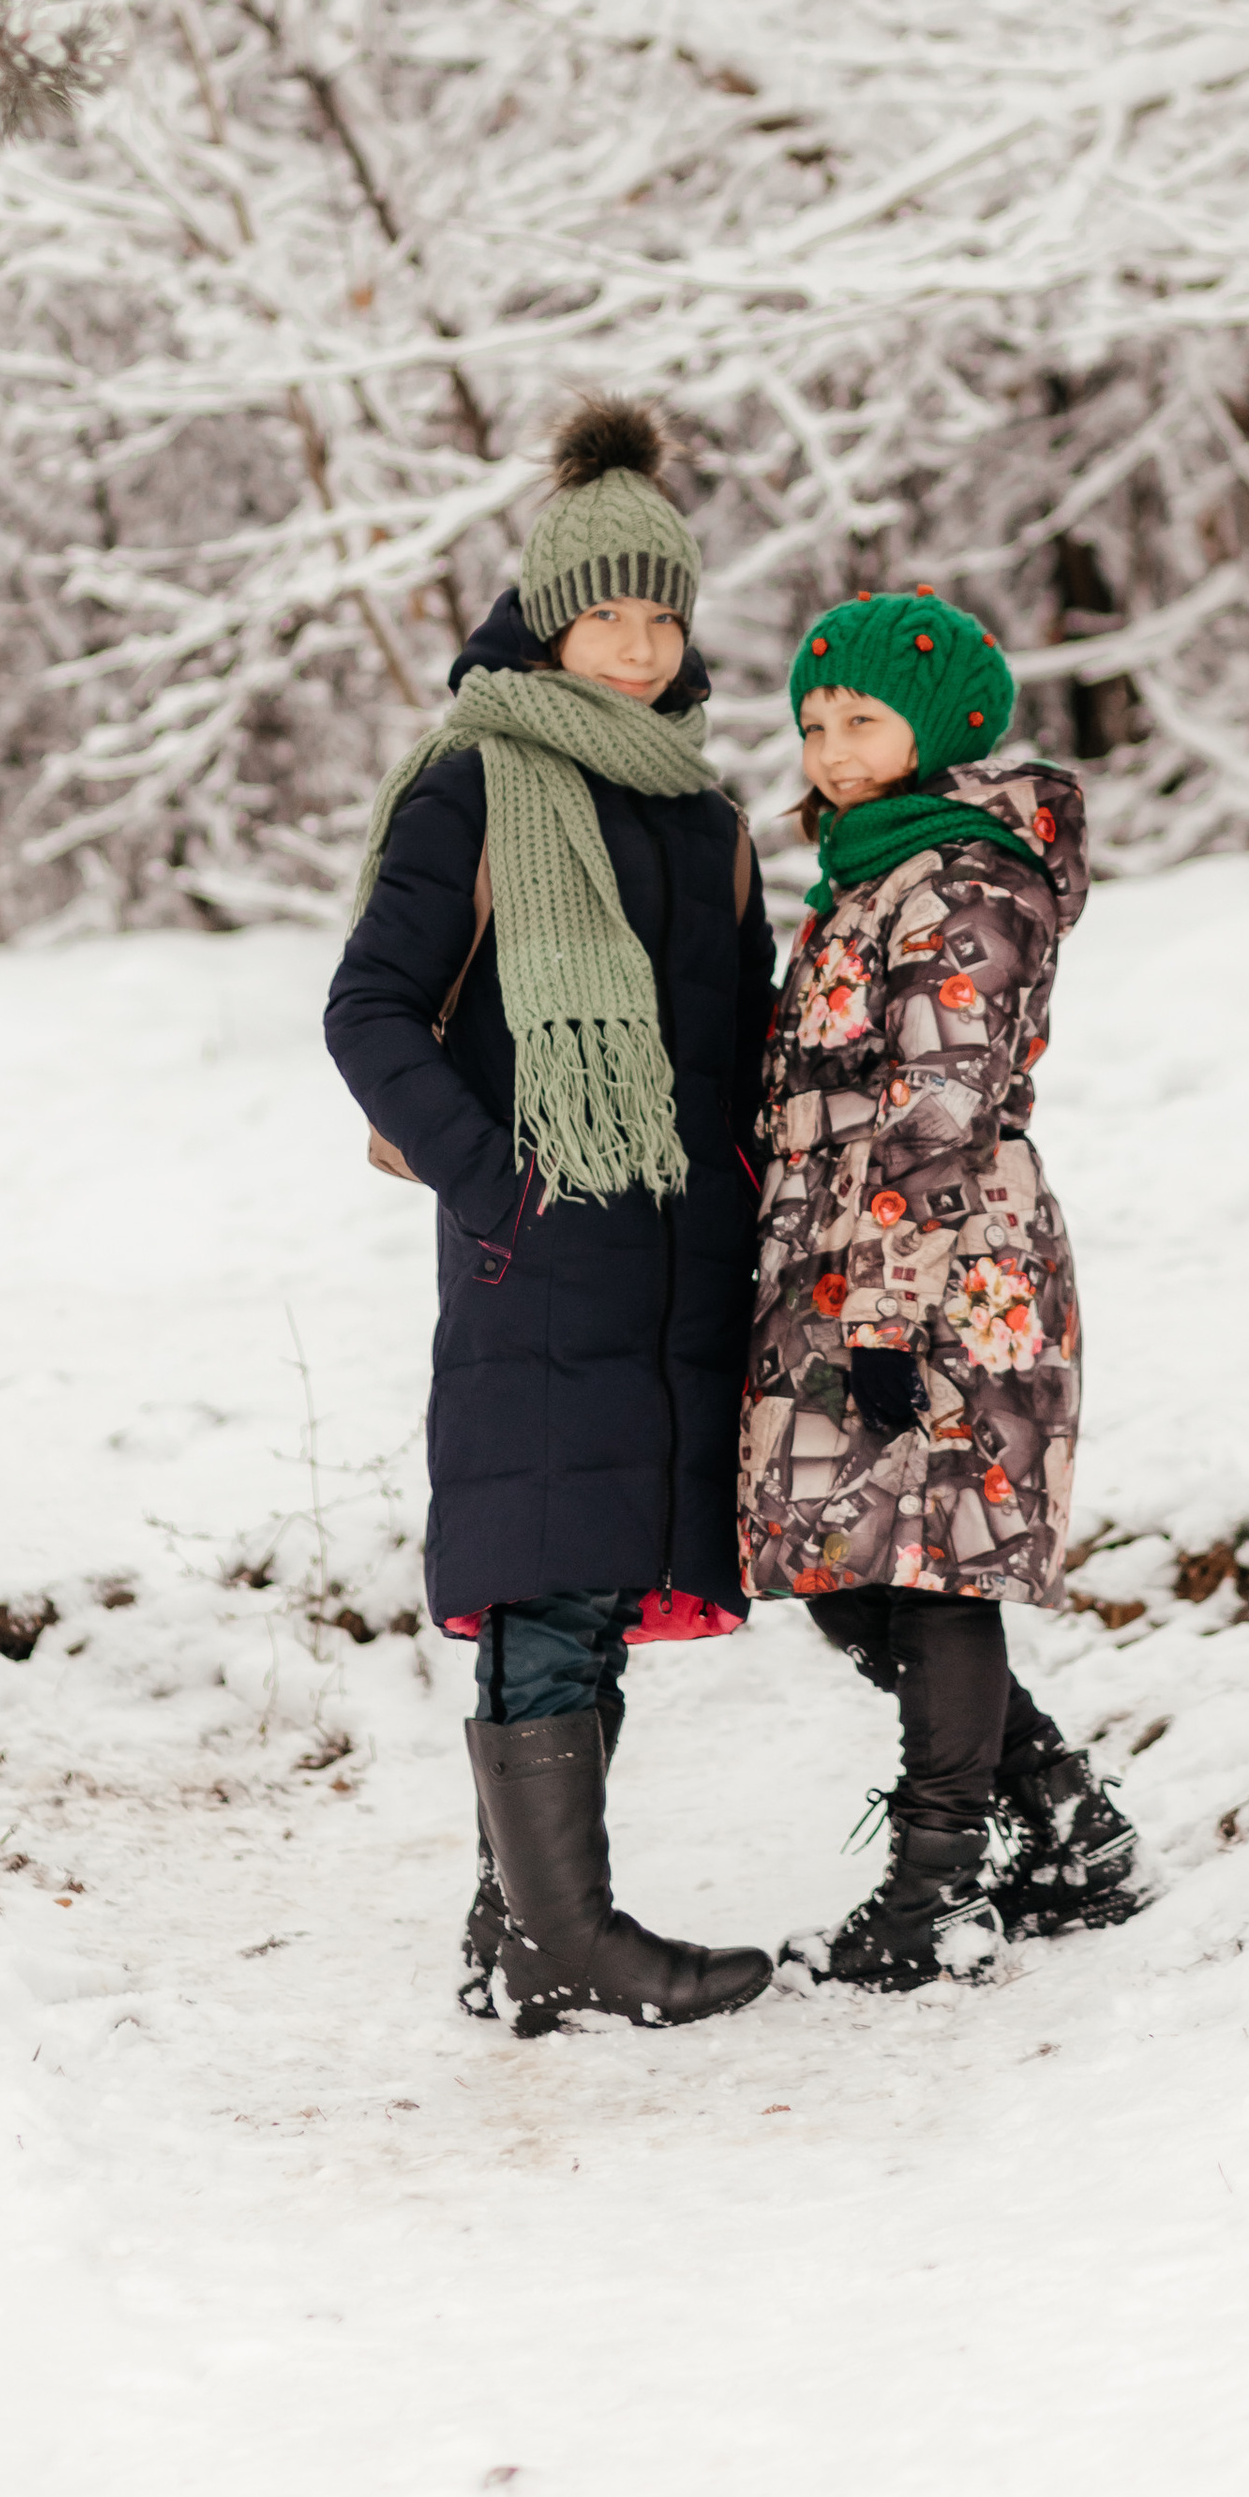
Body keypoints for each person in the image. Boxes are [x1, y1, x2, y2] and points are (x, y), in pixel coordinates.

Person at [324, 399, 777, 2037]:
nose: (643, 645)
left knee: (597, 1573)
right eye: (612, 613)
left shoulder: (708, 820)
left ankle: (524, 1928)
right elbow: (370, 1013)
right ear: (547, 614)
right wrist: (493, 1176)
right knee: (549, 1584)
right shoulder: (475, 790)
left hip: (675, 1265)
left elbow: (744, 1048)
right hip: (539, 1244)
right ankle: (571, 1938)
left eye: (666, 614)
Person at [741, 586, 1145, 1991]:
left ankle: (935, 1889)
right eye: (812, 722)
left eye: (861, 718)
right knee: (852, 1573)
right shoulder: (866, 876)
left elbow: (939, 1115)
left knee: (922, 1572)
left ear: (943, 724)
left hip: (936, 1272)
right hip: (843, 1265)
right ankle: (1067, 1826)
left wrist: (882, 1319)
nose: (832, 748)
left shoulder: (965, 884)